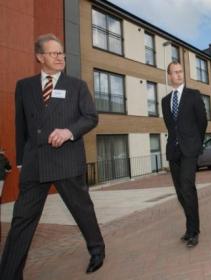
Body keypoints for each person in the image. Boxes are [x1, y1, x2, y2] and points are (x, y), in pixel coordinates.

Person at [0, 34, 105, 279]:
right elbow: (21, 126)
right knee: (21, 220)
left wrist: (69, 131)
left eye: (61, 53)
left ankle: (97, 249)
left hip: (66, 160)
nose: (60, 57)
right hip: (35, 164)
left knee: (82, 210)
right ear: (40, 57)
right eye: (54, 53)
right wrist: (21, 161)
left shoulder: (76, 86)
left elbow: (91, 117)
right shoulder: (24, 86)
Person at [161, 61, 207, 248]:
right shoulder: (165, 101)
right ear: (169, 76)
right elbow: (171, 127)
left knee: (187, 187)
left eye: (181, 72)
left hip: (190, 150)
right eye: (175, 72)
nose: (179, 75)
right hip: (174, 151)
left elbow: (202, 121)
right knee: (180, 192)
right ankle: (189, 228)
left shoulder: (193, 95)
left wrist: (196, 143)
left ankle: (194, 231)